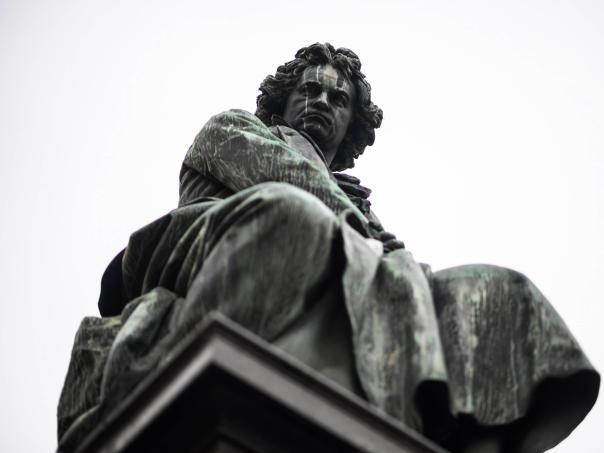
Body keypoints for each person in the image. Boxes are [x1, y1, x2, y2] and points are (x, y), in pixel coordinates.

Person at [58, 43, 599, 453]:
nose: (322, 101)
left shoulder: (361, 209)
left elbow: (374, 245)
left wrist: (380, 245)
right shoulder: (232, 129)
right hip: (214, 244)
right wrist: (365, 230)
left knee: (496, 293)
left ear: (351, 124)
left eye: (338, 99)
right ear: (283, 99)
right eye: (309, 90)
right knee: (293, 216)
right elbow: (291, 182)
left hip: (354, 267)